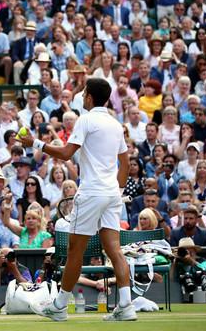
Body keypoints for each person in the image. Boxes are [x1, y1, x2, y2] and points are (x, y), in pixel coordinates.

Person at [19, 77, 137, 321]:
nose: (81, 98)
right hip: (111, 194)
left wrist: (36, 143)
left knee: (75, 251)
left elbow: (65, 153)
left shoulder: (86, 120)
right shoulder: (116, 124)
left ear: (91, 98)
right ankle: (126, 306)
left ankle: (60, 306)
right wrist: (116, 190)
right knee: (114, 249)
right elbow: (125, 163)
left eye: (83, 94)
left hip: (93, 193)